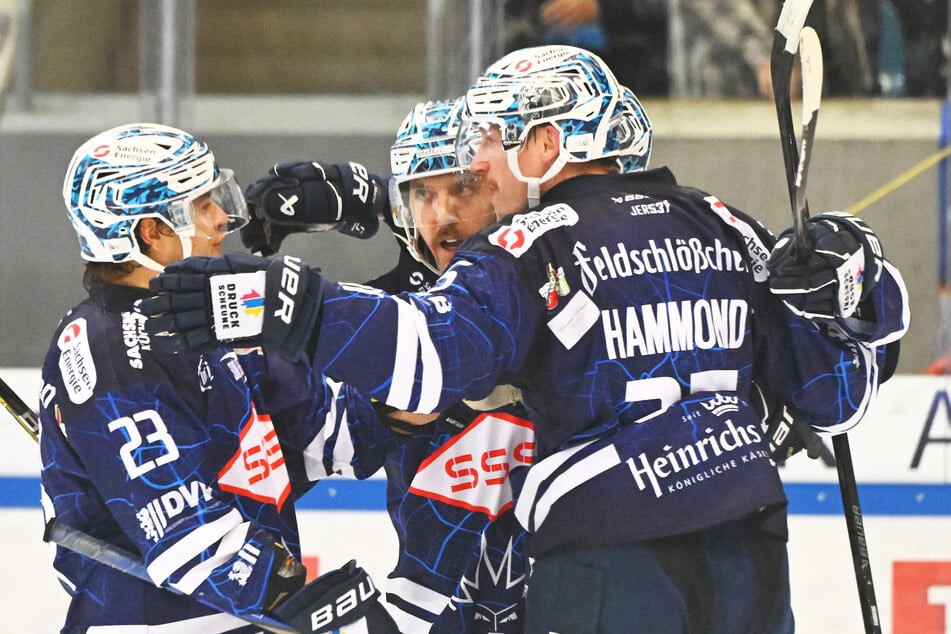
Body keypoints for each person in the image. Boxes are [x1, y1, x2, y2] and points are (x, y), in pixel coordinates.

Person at [142, 45, 910, 632]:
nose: (476, 164)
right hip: (748, 555)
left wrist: (283, 301)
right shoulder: (720, 221)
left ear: (543, 146)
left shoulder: (526, 247)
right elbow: (836, 391)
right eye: (425, 191)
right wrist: (860, 290)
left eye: (484, 147)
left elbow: (426, 351)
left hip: (609, 561)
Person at [39, 122, 399, 633]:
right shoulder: (108, 349)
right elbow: (194, 545)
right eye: (200, 206)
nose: (220, 221)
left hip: (242, 619)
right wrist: (290, 590)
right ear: (151, 232)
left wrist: (433, 373)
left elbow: (341, 433)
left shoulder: (212, 313)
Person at [239, 97, 536, 634]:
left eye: (464, 187)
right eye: (422, 193)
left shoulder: (567, 269)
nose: (441, 213)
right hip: (440, 607)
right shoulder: (381, 317)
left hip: (580, 594)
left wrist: (374, 197)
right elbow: (297, 455)